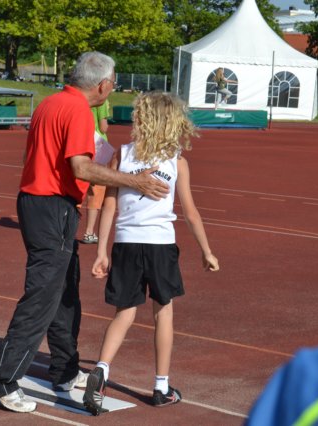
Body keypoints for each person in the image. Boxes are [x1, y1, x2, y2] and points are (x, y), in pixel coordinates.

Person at [0, 52, 169, 414]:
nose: (113, 88)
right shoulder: (78, 110)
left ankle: (65, 370)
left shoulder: (50, 103)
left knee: (65, 292)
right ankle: (2, 379)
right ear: (104, 85)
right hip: (51, 206)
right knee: (43, 295)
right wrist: (133, 181)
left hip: (42, 203)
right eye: (114, 82)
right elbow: (81, 167)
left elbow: (37, 157)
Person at [82, 92, 220, 416]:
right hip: (160, 245)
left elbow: (109, 204)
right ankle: (161, 386)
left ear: (142, 120)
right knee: (163, 313)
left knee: (124, 313)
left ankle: (101, 369)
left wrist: (101, 250)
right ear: (173, 123)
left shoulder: (122, 155)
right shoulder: (177, 161)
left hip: (126, 243)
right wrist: (207, 251)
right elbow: (190, 212)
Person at [82, 99, 111, 244]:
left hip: (81, 142)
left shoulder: (81, 98)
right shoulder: (102, 100)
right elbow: (103, 127)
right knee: (96, 190)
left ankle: (65, 228)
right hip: (97, 144)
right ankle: (89, 231)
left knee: (77, 186)